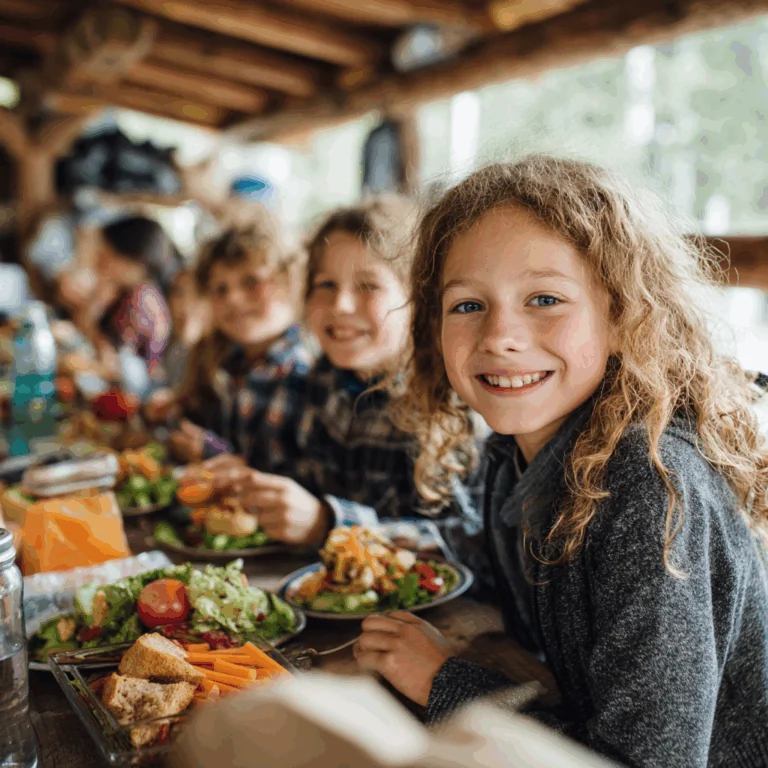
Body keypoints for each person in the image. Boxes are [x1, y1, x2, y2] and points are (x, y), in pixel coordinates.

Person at [353, 156, 768, 766]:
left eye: (544, 298)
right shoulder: (513, 458)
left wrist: (444, 683)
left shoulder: (650, 489)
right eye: (468, 305)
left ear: (625, 318)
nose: (500, 335)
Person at [208, 197, 484, 551]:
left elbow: (472, 542)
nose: (339, 305)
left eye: (368, 285)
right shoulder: (321, 382)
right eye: (326, 285)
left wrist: (330, 524)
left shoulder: (455, 403)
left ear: (417, 299)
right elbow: (306, 482)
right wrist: (254, 484)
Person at [169, 215, 314, 464]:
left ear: (290, 282)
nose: (233, 299)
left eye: (251, 282)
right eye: (220, 289)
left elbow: (302, 480)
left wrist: (215, 455)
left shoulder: (304, 373)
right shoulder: (228, 362)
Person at [92, 215, 181, 386]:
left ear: (132, 260)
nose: (99, 262)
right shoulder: (132, 293)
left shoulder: (142, 301)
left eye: (106, 255)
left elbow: (117, 363)